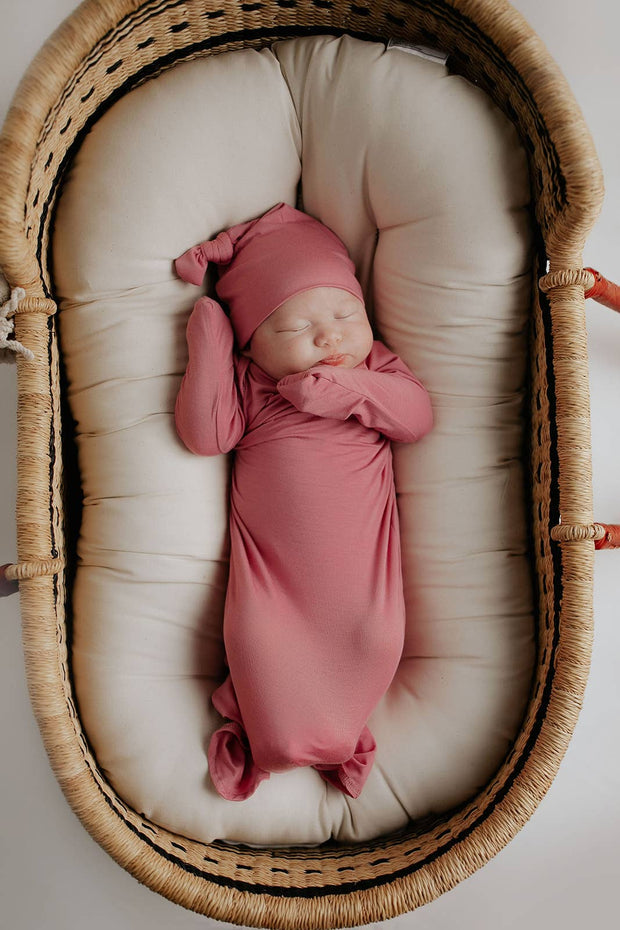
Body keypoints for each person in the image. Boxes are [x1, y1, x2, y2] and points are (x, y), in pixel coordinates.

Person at [174, 202, 433, 801]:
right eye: (294, 328)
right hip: (274, 580)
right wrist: (209, 340)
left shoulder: (374, 368)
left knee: (377, 638)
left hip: (362, 579)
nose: (330, 337)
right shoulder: (254, 382)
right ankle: (261, 732)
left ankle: (340, 732)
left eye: (346, 313)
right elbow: (206, 435)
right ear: (252, 345)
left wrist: (345, 389)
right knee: (256, 641)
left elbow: (416, 417)